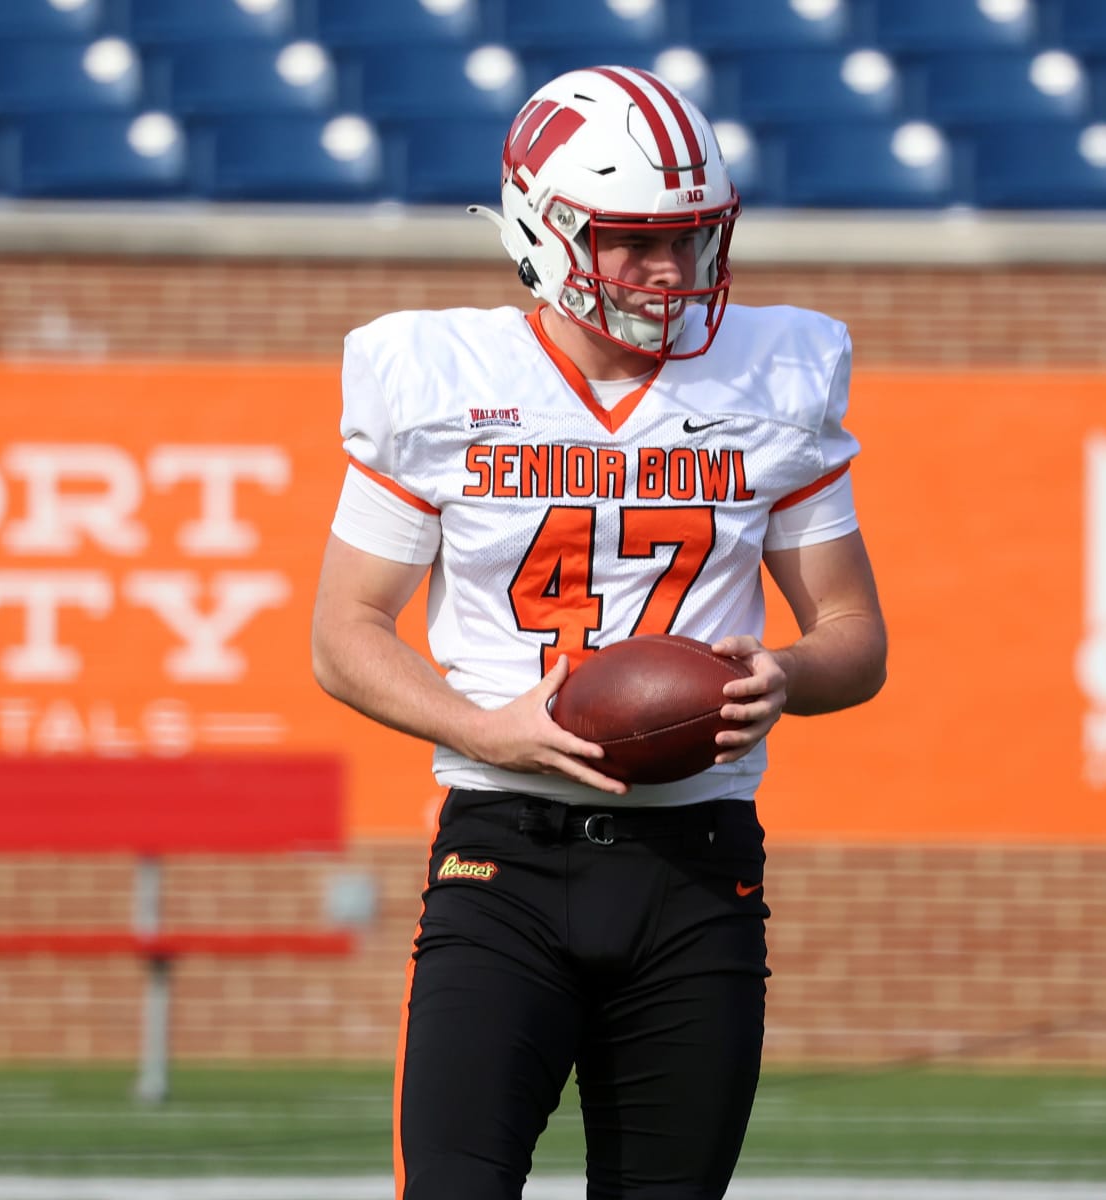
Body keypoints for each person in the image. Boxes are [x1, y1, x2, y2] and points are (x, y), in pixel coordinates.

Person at [310, 64, 887, 1200]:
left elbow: (856, 634)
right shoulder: (442, 378)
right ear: (542, 228)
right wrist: (491, 728)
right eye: (633, 239)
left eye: (690, 237)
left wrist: (786, 672)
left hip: (698, 865)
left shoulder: (777, 375)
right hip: (502, 861)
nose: (670, 270)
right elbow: (345, 630)